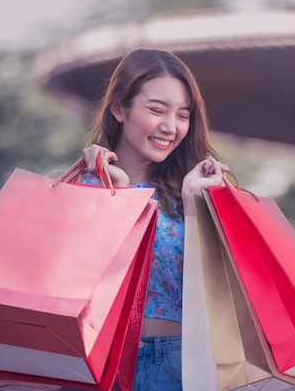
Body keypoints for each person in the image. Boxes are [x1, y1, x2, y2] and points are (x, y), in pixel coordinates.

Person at [58, 48, 226, 390]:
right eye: (156, 110)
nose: (170, 127)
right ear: (119, 108)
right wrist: (114, 191)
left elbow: (215, 296)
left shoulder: (194, 189)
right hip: (96, 364)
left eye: (183, 114)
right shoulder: (77, 186)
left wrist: (194, 207)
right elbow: (69, 282)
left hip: (177, 365)